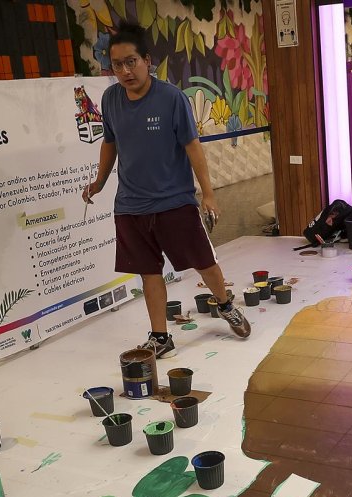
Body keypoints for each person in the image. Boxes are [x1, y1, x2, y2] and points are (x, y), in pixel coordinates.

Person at [82, 22, 249, 359]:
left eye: (132, 62)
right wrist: (99, 182)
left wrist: (209, 193)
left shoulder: (170, 97)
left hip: (174, 201)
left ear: (147, 60)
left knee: (204, 263)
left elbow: (192, 146)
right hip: (130, 205)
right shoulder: (110, 98)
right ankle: (160, 336)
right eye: (117, 65)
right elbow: (109, 142)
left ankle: (225, 304)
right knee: (149, 272)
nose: (125, 71)